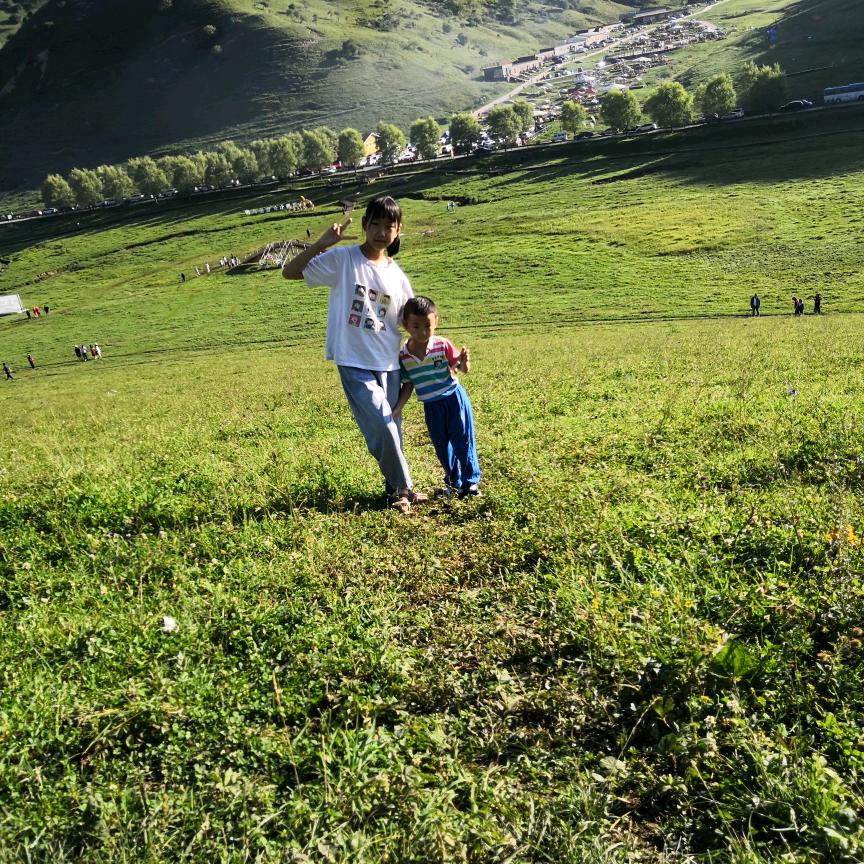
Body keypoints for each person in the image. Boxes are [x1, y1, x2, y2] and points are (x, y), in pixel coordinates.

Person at [282, 196, 426, 513]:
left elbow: (411, 322)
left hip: (388, 362)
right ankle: (406, 487)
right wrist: (321, 243)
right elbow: (289, 273)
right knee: (384, 424)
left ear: (398, 229)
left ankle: (394, 494)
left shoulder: (398, 277)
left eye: (389, 225)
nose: (381, 231)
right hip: (353, 361)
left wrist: (430, 351)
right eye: (374, 223)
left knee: (393, 430)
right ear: (363, 225)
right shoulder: (343, 259)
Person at [392, 296, 481, 498]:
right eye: (416, 326)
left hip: (454, 400)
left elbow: (461, 369)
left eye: (428, 326)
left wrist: (465, 362)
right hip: (432, 407)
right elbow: (408, 384)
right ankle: (454, 483)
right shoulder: (404, 356)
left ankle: (470, 484)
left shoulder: (443, 345)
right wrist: (398, 407)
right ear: (406, 325)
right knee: (442, 447)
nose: (423, 332)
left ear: (436, 322)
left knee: (463, 442)